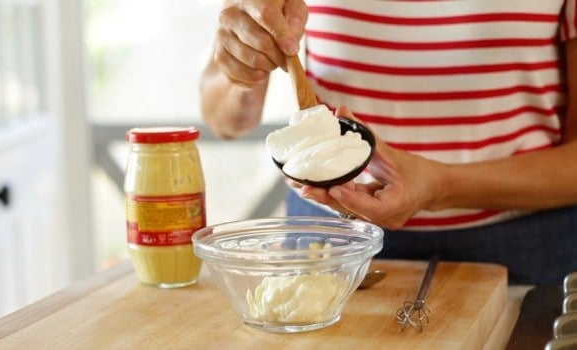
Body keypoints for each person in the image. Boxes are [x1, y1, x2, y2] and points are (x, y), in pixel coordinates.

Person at [200, 0, 577, 285]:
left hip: (524, 255)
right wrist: (244, 63)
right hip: (332, 243)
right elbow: (224, 119)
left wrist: (440, 186)